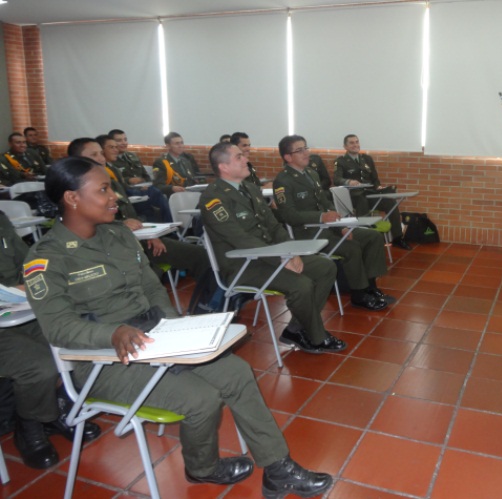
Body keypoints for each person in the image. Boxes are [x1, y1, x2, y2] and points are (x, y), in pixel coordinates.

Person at [24, 156, 333, 497]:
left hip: (156, 338)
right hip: (105, 360)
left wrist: (174, 326)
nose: (114, 197)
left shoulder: (120, 237)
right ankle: (203, 468)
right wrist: (111, 334)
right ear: (72, 198)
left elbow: (153, 288)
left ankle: (278, 469)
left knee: (237, 373)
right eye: (103, 189)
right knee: (201, 399)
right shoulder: (47, 258)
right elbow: (58, 328)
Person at [201, 142, 345, 354]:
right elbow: (240, 239)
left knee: (325, 267)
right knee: (301, 285)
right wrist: (282, 257)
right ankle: (316, 337)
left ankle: (296, 329)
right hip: (243, 264)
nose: (246, 160)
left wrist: (291, 251)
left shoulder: (249, 188)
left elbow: (274, 226)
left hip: (270, 256)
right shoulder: (213, 198)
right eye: (239, 157)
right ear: (223, 167)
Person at [0, 210, 100, 470]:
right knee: (40, 365)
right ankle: (29, 427)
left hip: (18, 311)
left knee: (80, 337)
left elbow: (28, 263)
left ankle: (59, 407)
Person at [274, 135, 392, 311]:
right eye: (300, 150)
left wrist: (341, 224)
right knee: (352, 247)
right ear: (287, 157)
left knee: (372, 236)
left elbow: (325, 201)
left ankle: (370, 286)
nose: (306, 153)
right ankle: (358, 294)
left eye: (306, 148)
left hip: (330, 228)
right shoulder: (283, 181)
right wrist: (321, 217)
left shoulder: (312, 174)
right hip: (309, 233)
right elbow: (289, 215)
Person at [70, 137, 209, 284]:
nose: (101, 158)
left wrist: (150, 235)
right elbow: (90, 229)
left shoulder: (115, 186)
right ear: (76, 160)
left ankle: (208, 302)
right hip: (113, 248)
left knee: (200, 255)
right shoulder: (75, 193)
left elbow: (132, 216)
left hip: (139, 241)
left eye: (100, 153)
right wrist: (122, 224)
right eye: (94, 155)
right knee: (148, 275)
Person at [334, 135, 411, 250]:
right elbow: (336, 179)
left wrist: (378, 186)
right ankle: (366, 237)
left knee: (390, 202)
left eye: (357, 142)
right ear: (345, 146)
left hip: (371, 194)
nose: (355, 145)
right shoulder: (341, 161)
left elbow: (375, 179)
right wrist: (348, 181)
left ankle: (397, 238)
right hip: (354, 197)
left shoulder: (367, 159)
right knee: (361, 199)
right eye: (351, 143)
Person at [101, 133, 173, 222]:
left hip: (133, 191)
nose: (116, 149)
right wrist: (131, 183)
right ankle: (171, 225)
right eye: (112, 147)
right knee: (155, 192)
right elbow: (120, 189)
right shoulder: (104, 170)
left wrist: (142, 186)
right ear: (102, 151)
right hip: (122, 199)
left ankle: (166, 228)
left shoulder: (128, 159)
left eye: (125, 139)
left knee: (149, 207)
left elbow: (145, 176)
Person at [152, 132, 201, 196]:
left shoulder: (186, 161)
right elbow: (158, 185)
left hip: (189, 194)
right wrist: (172, 188)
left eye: (182, 143)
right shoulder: (161, 162)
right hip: (174, 196)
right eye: (177, 144)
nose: (181, 146)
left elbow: (191, 180)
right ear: (168, 146)